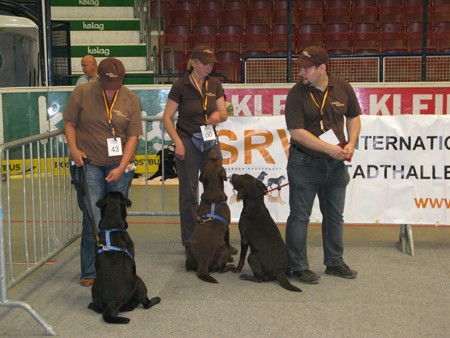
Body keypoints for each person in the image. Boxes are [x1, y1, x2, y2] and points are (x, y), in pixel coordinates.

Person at [284, 46, 361, 284]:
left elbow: (354, 116)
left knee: (335, 216)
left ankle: (335, 263)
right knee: (299, 216)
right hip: (304, 163)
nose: (301, 73)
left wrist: (351, 143)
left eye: (306, 69)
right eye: (301, 68)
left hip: (336, 165)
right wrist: (331, 149)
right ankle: (298, 266)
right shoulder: (296, 94)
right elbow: (297, 133)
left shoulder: (343, 87)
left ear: (322, 68)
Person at [64, 57, 142, 287]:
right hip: (89, 162)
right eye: (108, 84)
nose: (111, 89)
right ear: (99, 77)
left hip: (120, 165)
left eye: (116, 84)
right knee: (93, 218)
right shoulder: (83, 93)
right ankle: (90, 269)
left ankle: (118, 264)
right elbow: (69, 123)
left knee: (116, 218)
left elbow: (133, 137)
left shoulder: (130, 98)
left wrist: (121, 167)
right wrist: (74, 149)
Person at [162, 45, 236, 255]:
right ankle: (191, 240)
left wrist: (217, 117)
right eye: (204, 63)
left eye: (211, 63)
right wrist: (177, 142)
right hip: (186, 140)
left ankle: (220, 238)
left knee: (217, 188)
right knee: (189, 193)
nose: (208, 67)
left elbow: (223, 113)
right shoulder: (180, 86)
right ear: (193, 63)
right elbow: (167, 118)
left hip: (210, 140)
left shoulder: (215, 84)